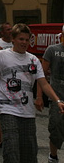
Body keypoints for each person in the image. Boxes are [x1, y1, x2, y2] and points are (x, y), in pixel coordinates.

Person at [0, 23, 64, 163]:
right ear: (13, 39)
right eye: (21, 39)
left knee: (29, 155)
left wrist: (57, 100)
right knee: (11, 151)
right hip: (7, 110)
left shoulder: (33, 60)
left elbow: (44, 83)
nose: (24, 42)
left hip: (27, 113)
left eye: (27, 40)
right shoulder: (2, 56)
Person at [36, 27, 64, 163]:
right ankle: (53, 156)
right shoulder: (52, 50)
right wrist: (39, 96)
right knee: (56, 127)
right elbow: (41, 74)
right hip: (56, 97)